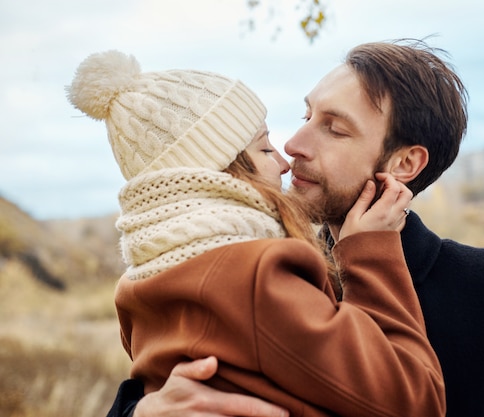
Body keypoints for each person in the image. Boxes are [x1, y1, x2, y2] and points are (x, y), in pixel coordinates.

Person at [105, 39, 484, 417]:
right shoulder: (228, 267)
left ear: (406, 163)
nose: (295, 142)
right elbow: (148, 383)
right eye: (306, 114)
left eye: (334, 128)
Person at [67, 50, 447, 417]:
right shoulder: (256, 274)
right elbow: (418, 401)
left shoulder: (140, 285)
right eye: (265, 148)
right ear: (217, 177)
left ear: (406, 163)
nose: (289, 152)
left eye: (334, 128)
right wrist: (371, 251)